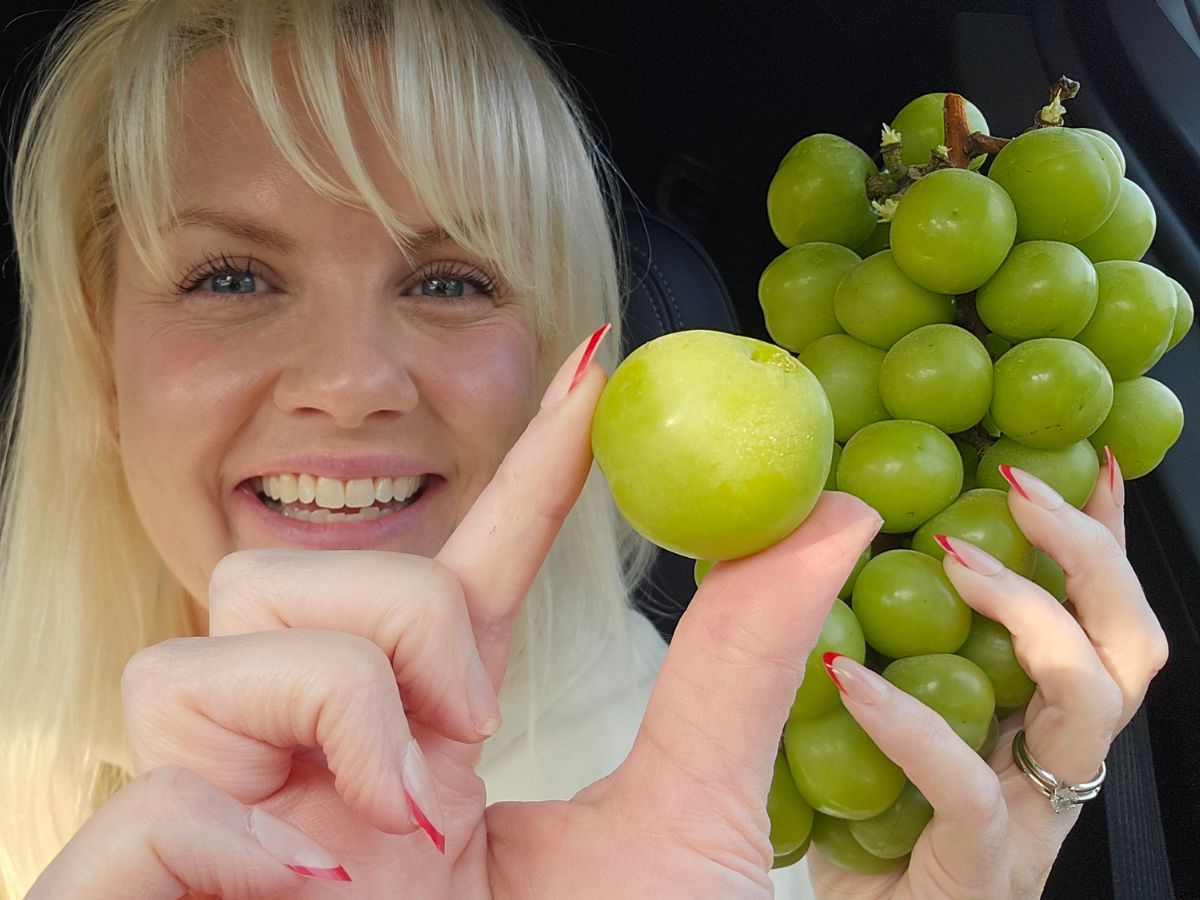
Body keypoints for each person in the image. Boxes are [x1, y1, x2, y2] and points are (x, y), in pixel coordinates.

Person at [0, 1, 1167, 897]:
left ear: (562, 359)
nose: (351, 385)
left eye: (451, 279)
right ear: (100, 355)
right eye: (232, 277)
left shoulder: (715, 783)